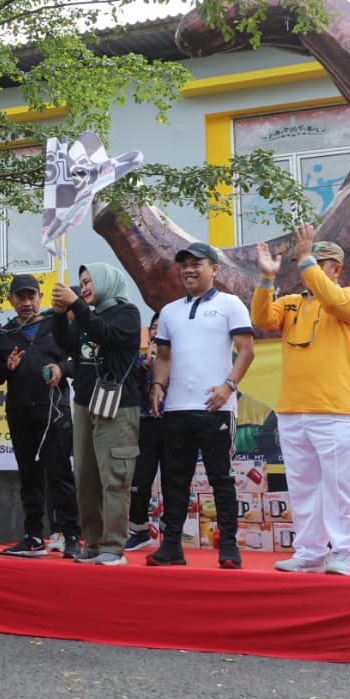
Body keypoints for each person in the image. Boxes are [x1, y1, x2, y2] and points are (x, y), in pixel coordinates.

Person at [251, 224, 350, 576]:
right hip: (292, 410)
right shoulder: (291, 304)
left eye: (320, 263)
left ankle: (345, 552)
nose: (311, 270)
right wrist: (267, 279)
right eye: (308, 263)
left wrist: (304, 259)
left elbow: (329, 297)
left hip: (335, 409)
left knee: (342, 487)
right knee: (303, 487)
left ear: (337, 269)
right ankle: (310, 551)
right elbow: (261, 318)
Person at [146, 243, 255, 569]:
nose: (189, 270)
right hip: (177, 408)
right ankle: (172, 547)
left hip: (215, 407)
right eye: (184, 265)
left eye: (197, 264)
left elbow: (247, 350)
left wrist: (229, 386)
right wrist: (157, 385)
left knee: (221, 478)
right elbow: (163, 356)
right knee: (174, 480)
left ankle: (229, 548)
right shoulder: (169, 311)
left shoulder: (230, 303)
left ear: (215, 269)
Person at [51, 264, 142, 567]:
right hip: (84, 405)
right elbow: (67, 345)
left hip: (118, 407)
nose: (85, 287)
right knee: (86, 478)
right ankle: (92, 543)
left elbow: (106, 335)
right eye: (81, 283)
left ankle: (114, 548)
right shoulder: (86, 314)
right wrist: (61, 314)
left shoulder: (127, 313)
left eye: (89, 282)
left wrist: (76, 304)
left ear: (105, 282)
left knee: (114, 478)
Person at [0, 274, 81, 559]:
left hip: (53, 410)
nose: (27, 303)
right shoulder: (3, 334)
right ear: (11, 301)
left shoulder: (55, 323)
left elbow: (79, 359)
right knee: (29, 476)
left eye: (31, 297)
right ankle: (33, 536)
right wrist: (7, 367)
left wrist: (61, 370)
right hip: (19, 411)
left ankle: (71, 536)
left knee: (60, 474)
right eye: (21, 297)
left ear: (40, 298)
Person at [125, 313, 164, 552]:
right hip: (145, 424)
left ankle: (172, 534)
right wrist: (147, 365)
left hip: (172, 423)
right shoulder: (140, 361)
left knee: (173, 478)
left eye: (162, 328)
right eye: (154, 328)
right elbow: (129, 387)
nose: (157, 333)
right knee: (139, 479)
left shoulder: (179, 359)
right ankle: (139, 531)